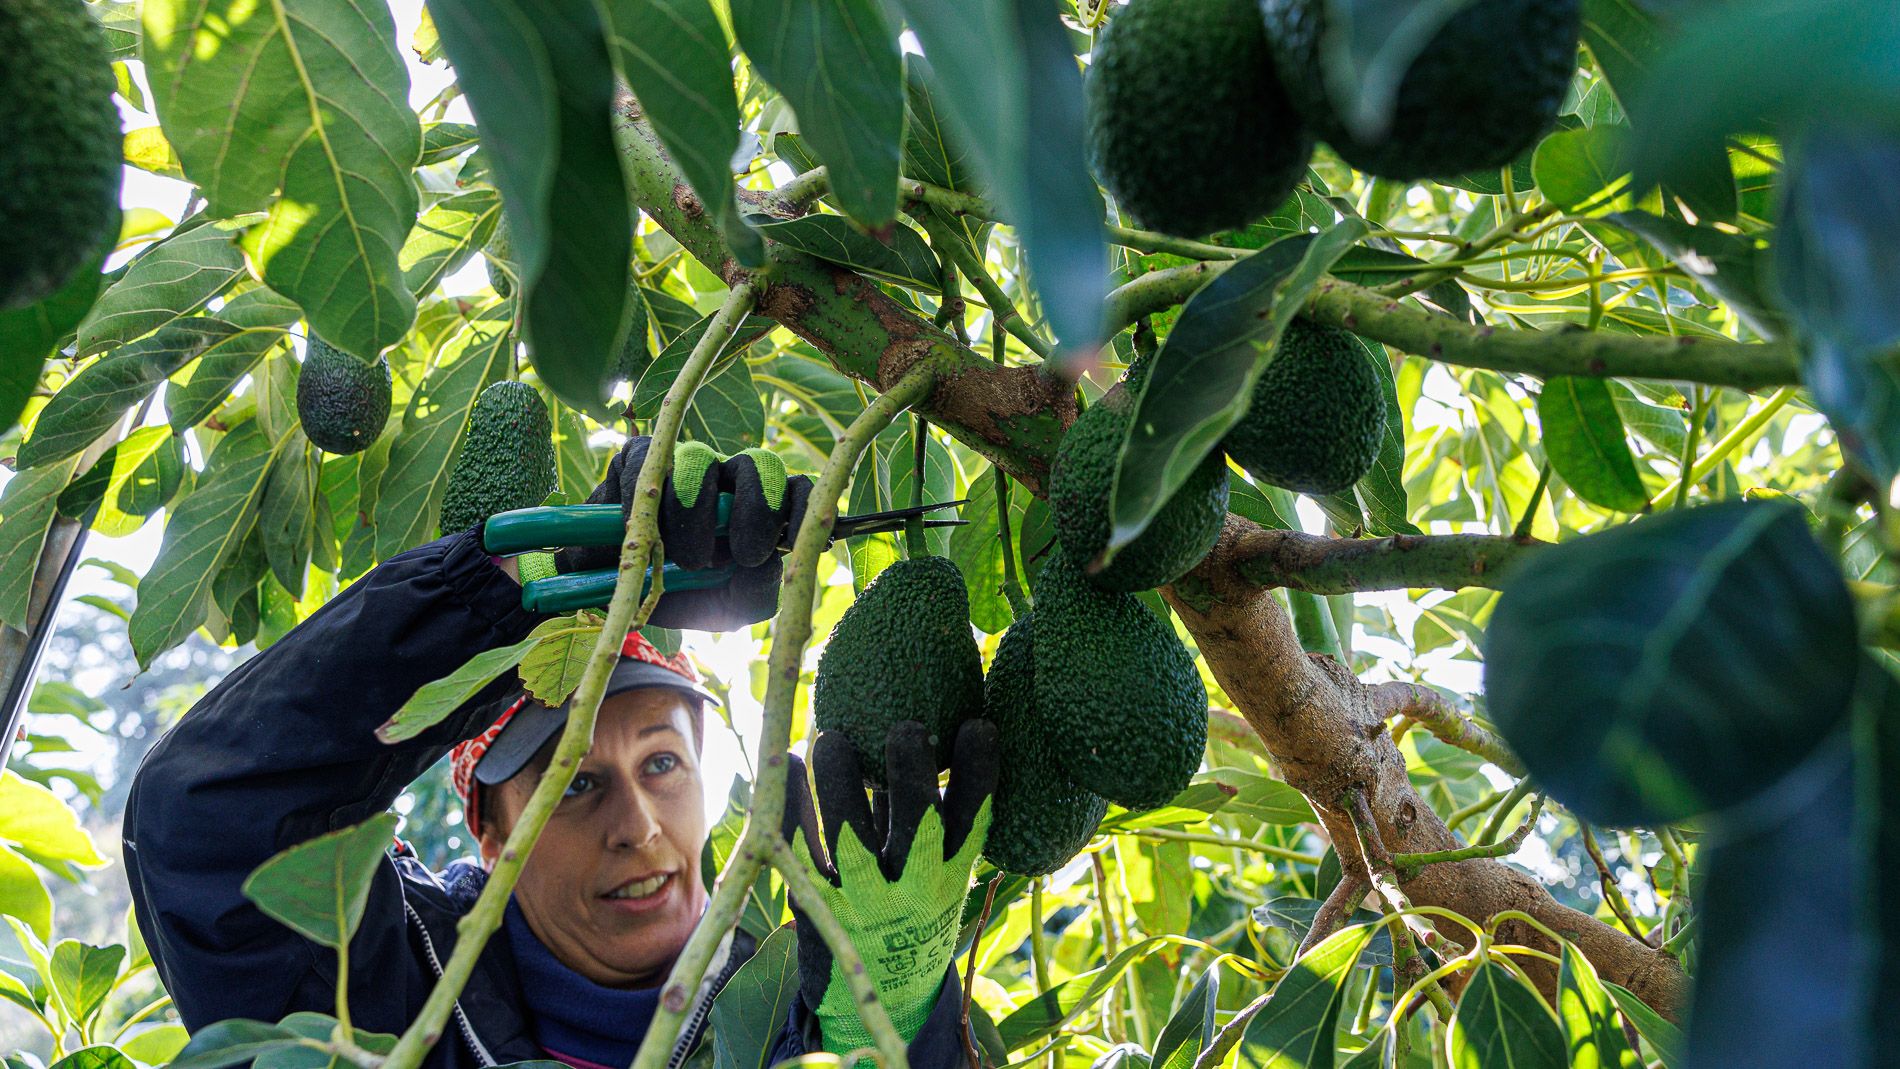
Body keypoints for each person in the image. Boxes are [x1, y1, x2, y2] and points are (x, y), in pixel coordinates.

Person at [123, 437, 998, 1068]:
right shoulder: (386, 988)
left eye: (662, 762)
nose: (639, 826)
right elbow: (205, 815)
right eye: (575, 782)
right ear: (490, 828)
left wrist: (897, 1021)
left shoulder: (793, 1017)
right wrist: (511, 592)